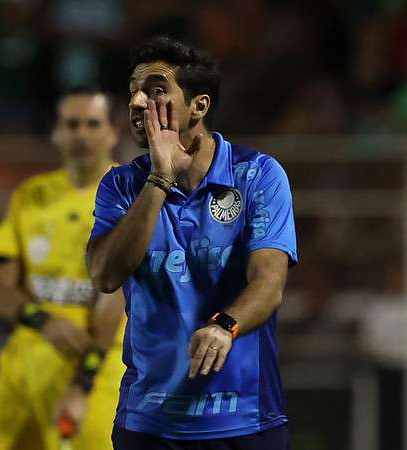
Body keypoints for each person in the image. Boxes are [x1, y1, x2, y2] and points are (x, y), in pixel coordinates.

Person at [86, 36, 297, 450]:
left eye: (156, 91)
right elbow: (105, 275)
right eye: (133, 92)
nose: (137, 103)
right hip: (149, 424)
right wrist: (159, 180)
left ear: (198, 106)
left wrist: (223, 327)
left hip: (246, 420)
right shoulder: (123, 185)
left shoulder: (257, 176)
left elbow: (268, 284)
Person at [0, 87, 125, 450]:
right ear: (56, 132)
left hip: (94, 366)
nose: (81, 134)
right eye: (71, 124)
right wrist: (43, 320)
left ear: (112, 133)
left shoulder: (129, 195)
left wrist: (82, 382)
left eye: (92, 124)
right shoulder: (31, 194)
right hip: (24, 364)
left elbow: (116, 296)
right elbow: (0, 293)